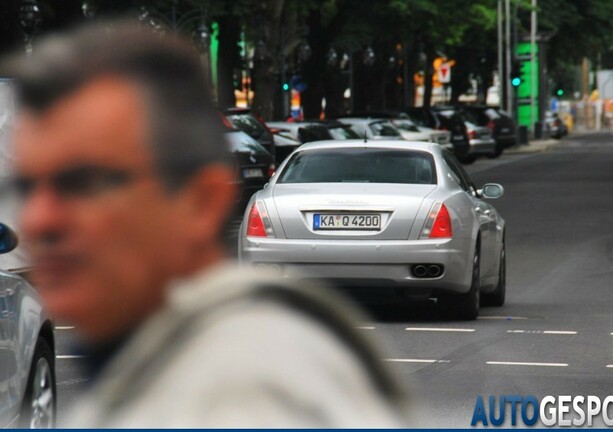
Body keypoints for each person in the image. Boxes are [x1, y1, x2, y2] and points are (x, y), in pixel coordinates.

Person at [1, 21, 412, 427]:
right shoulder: (168, 363)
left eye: (82, 182)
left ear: (201, 201)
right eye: (25, 186)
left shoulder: (244, 394)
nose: (39, 219)